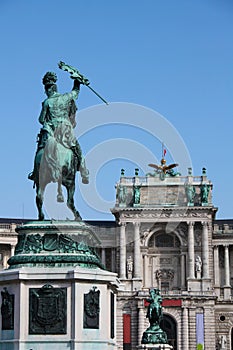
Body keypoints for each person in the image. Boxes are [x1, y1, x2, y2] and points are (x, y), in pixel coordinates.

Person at [28, 71, 89, 184]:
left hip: (51, 131)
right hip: (65, 130)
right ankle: (84, 172)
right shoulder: (65, 98)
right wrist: (77, 81)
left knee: (39, 149)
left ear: (48, 89)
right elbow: (75, 92)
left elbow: (41, 120)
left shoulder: (47, 102)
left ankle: (34, 172)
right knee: (77, 149)